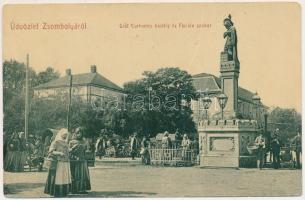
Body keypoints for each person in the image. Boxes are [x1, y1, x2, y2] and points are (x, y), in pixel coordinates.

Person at [44, 128, 72, 197]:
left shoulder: (66, 142)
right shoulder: (55, 142)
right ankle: (56, 192)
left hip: (65, 162)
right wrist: (59, 153)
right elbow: (51, 151)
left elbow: (67, 151)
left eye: (66, 135)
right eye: (64, 135)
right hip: (58, 162)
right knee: (58, 178)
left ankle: (63, 192)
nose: (65, 136)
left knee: (64, 177)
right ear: (61, 134)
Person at [69, 127, 91, 194]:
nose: (79, 134)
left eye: (80, 133)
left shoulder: (84, 141)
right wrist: (73, 148)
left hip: (82, 160)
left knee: (83, 175)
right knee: (74, 175)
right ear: (75, 133)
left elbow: (88, 150)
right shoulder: (71, 142)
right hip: (74, 160)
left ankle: (82, 189)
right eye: (78, 132)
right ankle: (74, 189)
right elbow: (68, 151)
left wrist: (87, 151)